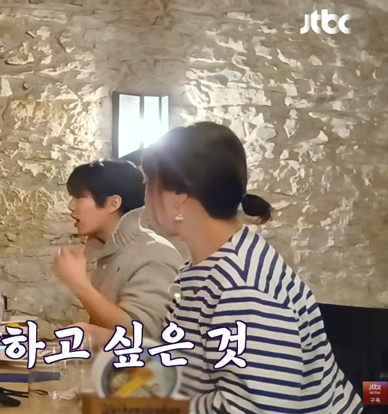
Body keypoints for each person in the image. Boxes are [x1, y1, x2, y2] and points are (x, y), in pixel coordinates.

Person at [82, 122, 361, 413]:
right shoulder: (204, 266)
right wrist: (115, 344)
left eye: (149, 182)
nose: (145, 197)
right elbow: (187, 362)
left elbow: (254, 409)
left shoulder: (243, 289)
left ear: (178, 198)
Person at [53, 159, 183, 341]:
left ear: (113, 203)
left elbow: (142, 337)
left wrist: (80, 285)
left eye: (79, 197)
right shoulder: (106, 252)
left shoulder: (154, 256)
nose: (71, 206)